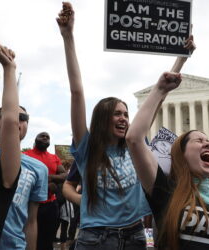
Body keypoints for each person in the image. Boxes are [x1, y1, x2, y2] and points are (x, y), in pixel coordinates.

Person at [57, 2, 152, 249]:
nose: (124, 118)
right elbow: (77, 92)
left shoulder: (135, 147)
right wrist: (68, 37)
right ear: (102, 118)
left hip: (135, 235)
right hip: (96, 237)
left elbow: (157, 100)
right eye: (117, 114)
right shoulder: (87, 149)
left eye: (126, 114)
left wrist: (181, 62)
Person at [126, 74, 209, 249]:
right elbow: (134, 139)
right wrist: (160, 89)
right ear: (182, 155)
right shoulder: (167, 193)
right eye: (199, 141)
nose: (208, 144)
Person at [0, 41, 48, 249]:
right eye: (12, 115)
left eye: (23, 117)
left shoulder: (39, 169)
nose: (17, 121)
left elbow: (31, 221)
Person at [24, 132, 67, 250]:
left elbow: (64, 175)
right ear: (35, 139)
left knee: (47, 240)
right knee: (29, 240)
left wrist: (52, 178)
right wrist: (45, 185)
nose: (45, 138)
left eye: (47, 137)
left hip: (50, 205)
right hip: (30, 205)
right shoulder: (25, 155)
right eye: (42, 136)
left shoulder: (54, 158)